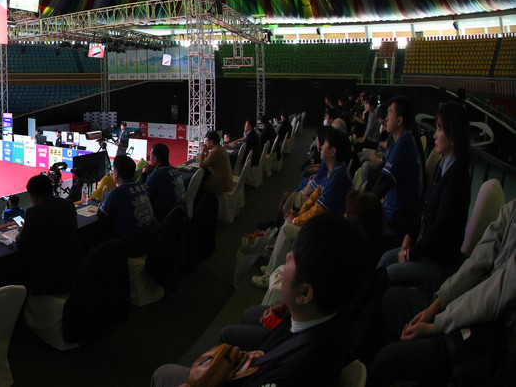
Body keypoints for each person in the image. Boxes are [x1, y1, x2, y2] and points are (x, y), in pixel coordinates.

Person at [152, 214, 374, 387]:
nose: (287, 256)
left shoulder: (293, 372)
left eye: (294, 258)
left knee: (163, 374)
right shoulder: (328, 311)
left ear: (305, 294)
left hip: (257, 371)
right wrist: (287, 309)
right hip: (262, 361)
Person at [368, 196, 516, 386]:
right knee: (390, 300)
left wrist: (435, 324)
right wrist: (434, 307)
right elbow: (475, 264)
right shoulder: (511, 209)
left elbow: (494, 295)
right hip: (462, 309)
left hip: (493, 337)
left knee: (386, 362)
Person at [376, 101, 472, 284]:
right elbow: (425, 208)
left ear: (453, 135)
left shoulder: (457, 178)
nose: (434, 134)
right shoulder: (443, 166)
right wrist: (409, 236)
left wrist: (410, 254)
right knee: (384, 260)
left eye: (439, 129)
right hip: (422, 246)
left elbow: (440, 231)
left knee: (387, 274)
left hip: (437, 260)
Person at [253, 127, 353, 289]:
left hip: (328, 231)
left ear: (333, 151)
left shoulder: (337, 177)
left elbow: (318, 210)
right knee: (288, 223)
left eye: (325, 144)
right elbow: (314, 198)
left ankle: (270, 275)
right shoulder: (334, 170)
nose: (321, 146)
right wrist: (299, 213)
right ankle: (275, 267)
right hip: (323, 222)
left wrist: (297, 219)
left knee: (287, 228)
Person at [15, 174, 81, 296]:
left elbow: (22, 243)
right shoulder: (68, 205)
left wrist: (21, 231)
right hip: (72, 267)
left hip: (48, 275)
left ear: (33, 195)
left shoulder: (33, 212)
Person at [370, 96, 423, 237]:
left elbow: (383, 184)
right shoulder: (398, 142)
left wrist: (361, 204)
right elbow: (380, 172)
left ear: (399, 121)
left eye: (390, 113)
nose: (386, 118)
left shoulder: (404, 146)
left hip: (396, 221)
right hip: (390, 211)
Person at [98, 154, 156, 257]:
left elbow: (102, 215)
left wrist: (101, 207)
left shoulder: (116, 192)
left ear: (116, 174)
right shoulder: (141, 186)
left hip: (131, 249)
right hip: (150, 244)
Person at [144, 143, 186, 221]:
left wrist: (143, 174)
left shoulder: (157, 175)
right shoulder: (174, 170)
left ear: (155, 159)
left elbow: (143, 195)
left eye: (151, 157)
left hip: (166, 221)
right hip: (182, 217)